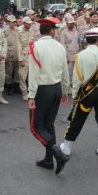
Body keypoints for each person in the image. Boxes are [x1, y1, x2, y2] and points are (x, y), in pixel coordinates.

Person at [61, 28, 98, 158]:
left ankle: (67, 146)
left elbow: (77, 78)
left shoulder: (80, 55)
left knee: (77, 119)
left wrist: (74, 95)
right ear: (97, 40)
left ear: (86, 40)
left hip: (86, 92)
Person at [28, 17, 70, 175]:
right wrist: (65, 90)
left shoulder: (36, 46)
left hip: (42, 90)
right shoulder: (60, 46)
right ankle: (48, 159)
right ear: (52, 31)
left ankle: (57, 154)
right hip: (56, 87)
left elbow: (33, 74)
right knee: (48, 124)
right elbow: (65, 71)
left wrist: (31, 96)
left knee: (35, 127)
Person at [16, 16, 35, 101]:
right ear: (24, 23)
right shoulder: (19, 32)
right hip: (23, 57)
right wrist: (21, 60)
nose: (30, 25)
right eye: (28, 24)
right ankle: (24, 93)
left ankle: (31, 92)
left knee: (32, 76)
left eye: (30, 24)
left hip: (31, 57)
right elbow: (18, 47)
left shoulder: (31, 31)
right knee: (22, 76)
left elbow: (33, 44)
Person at [4, 15, 20, 95]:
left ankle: (17, 87)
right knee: (8, 73)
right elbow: (3, 45)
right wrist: (5, 56)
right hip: (9, 56)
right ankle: (9, 88)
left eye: (14, 22)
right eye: (12, 22)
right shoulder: (5, 32)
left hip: (18, 55)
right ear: (8, 23)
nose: (14, 23)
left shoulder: (18, 30)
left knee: (18, 72)